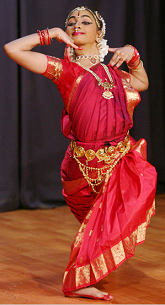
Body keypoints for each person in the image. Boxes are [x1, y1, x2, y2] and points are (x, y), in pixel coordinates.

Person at [4, 6, 157, 301]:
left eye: (85, 21)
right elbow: (12, 48)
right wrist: (51, 34)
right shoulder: (65, 71)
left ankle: (82, 279)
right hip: (83, 167)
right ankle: (83, 278)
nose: (76, 24)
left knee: (112, 218)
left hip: (120, 158)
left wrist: (133, 55)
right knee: (97, 224)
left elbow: (141, 83)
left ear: (99, 32)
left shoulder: (113, 73)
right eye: (71, 21)